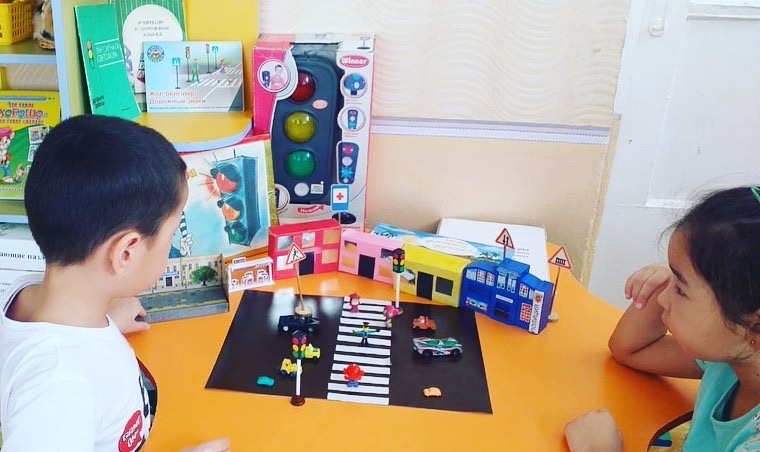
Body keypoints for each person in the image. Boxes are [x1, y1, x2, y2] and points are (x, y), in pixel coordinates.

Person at [0, 115, 230, 452]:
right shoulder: (60, 386)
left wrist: (104, 320)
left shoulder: (30, 293)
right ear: (126, 253)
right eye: (170, 235)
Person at [565, 186, 760, 451]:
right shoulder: (731, 357)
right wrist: (670, 277)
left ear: (754, 325)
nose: (662, 299)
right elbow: (630, 349)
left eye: (680, 290)